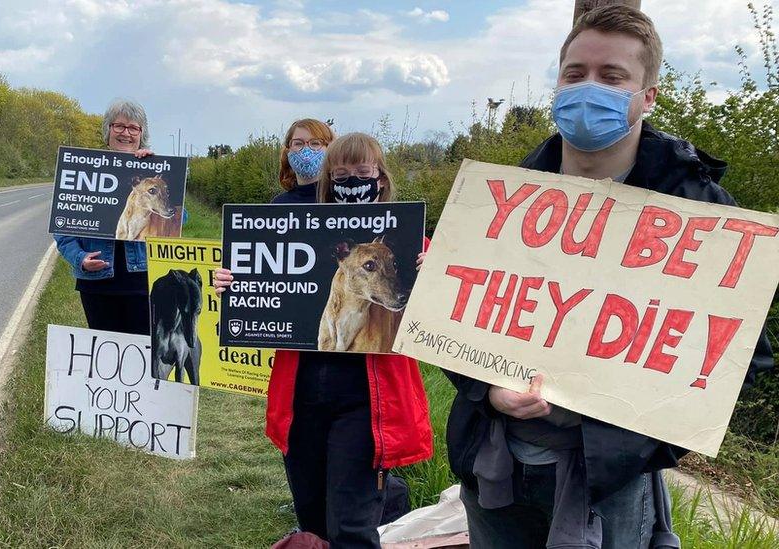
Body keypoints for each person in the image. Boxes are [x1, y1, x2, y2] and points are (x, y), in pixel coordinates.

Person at [443, 6, 776, 549]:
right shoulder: (497, 199)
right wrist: (488, 390)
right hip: (494, 465)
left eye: (612, 76)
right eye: (575, 74)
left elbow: (740, 365)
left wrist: (623, 434)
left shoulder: (705, 215)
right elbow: (446, 325)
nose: (587, 87)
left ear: (648, 95)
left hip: (610, 483)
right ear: (557, 83)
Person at [214, 129, 434, 548]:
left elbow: (438, 318)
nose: (352, 182)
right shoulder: (296, 228)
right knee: (312, 519)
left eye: (363, 172)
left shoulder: (411, 242)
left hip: (366, 404)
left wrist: (435, 274)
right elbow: (262, 286)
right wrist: (233, 283)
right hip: (303, 396)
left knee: (352, 524)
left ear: (381, 179)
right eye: (341, 174)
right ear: (327, 182)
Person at [54, 99, 155, 334]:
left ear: (141, 134)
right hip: (97, 284)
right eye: (118, 126)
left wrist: (152, 170)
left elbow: (179, 219)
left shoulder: (154, 171)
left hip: (143, 281)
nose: (126, 133)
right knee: (104, 359)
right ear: (108, 130)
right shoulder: (85, 170)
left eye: (133, 128)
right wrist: (79, 258)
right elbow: (63, 230)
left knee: (142, 356)